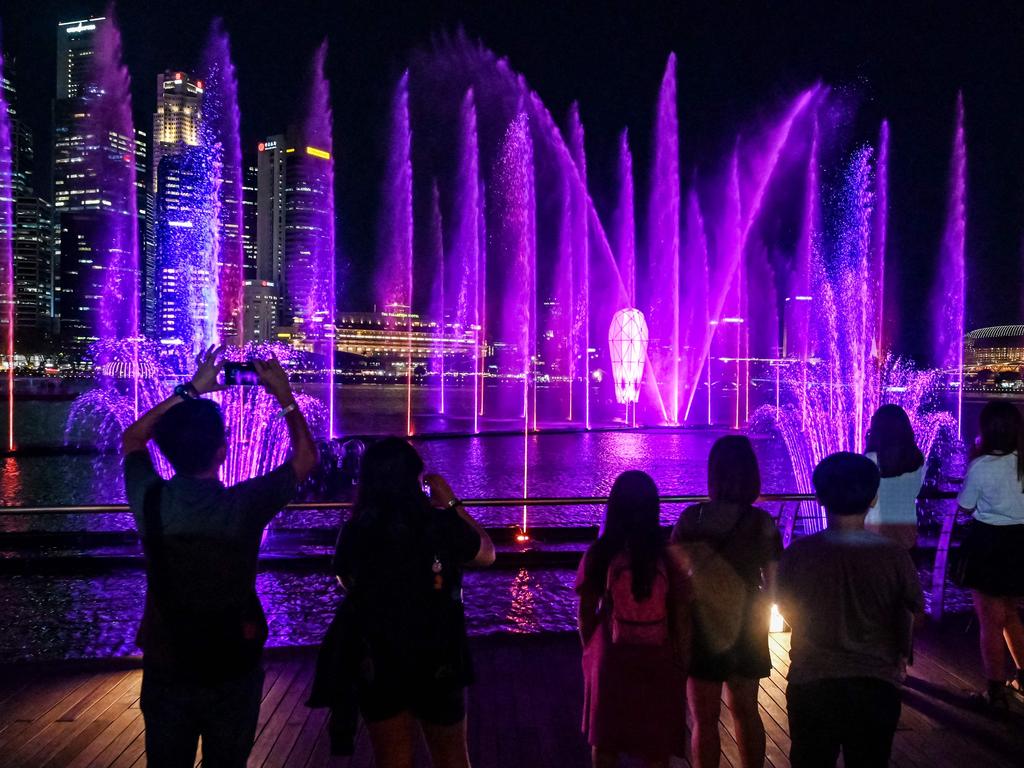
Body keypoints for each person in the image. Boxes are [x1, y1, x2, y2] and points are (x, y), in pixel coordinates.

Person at [122, 347, 319, 768]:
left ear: (168, 450)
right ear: (223, 452)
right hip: (233, 663)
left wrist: (192, 390)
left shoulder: (150, 501)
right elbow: (305, 460)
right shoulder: (244, 505)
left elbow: (133, 437)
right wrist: (283, 395)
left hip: (166, 661)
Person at [327, 437, 495, 768]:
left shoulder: (356, 530)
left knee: (392, 760)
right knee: (452, 759)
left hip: (380, 657)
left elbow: (346, 580)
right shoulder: (439, 525)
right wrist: (452, 505)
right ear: (417, 480)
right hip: (439, 658)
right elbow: (486, 554)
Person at [779, 452, 924, 768]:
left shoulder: (799, 554)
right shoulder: (894, 555)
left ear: (819, 497)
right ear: (873, 499)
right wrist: (901, 655)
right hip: (875, 683)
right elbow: (909, 611)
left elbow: (786, 608)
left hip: (812, 680)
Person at [671, 435, 780, 768]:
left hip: (703, 623)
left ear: (713, 474)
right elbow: (774, 588)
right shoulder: (762, 524)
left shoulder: (692, 519)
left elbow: (675, 579)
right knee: (747, 711)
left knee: (704, 720)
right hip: (747, 621)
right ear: (751, 474)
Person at [577, 470, 690, 768]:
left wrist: (591, 649)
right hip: (658, 657)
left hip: (611, 658)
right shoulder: (666, 556)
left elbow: (585, 612)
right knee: (655, 746)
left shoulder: (599, 554)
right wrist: (681, 659)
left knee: (606, 743)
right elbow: (681, 613)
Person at [956, 400, 1024, 708]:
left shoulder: (981, 466)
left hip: (989, 545)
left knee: (990, 620)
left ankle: (995, 693)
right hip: (1020, 544)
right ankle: (1022, 677)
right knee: (1011, 614)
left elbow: (966, 507)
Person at [864, 404, 926, 549]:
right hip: (906, 530)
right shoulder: (918, 458)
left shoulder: (871, 459)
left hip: (877, 532)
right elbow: (916, 490)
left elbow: (866, 495)